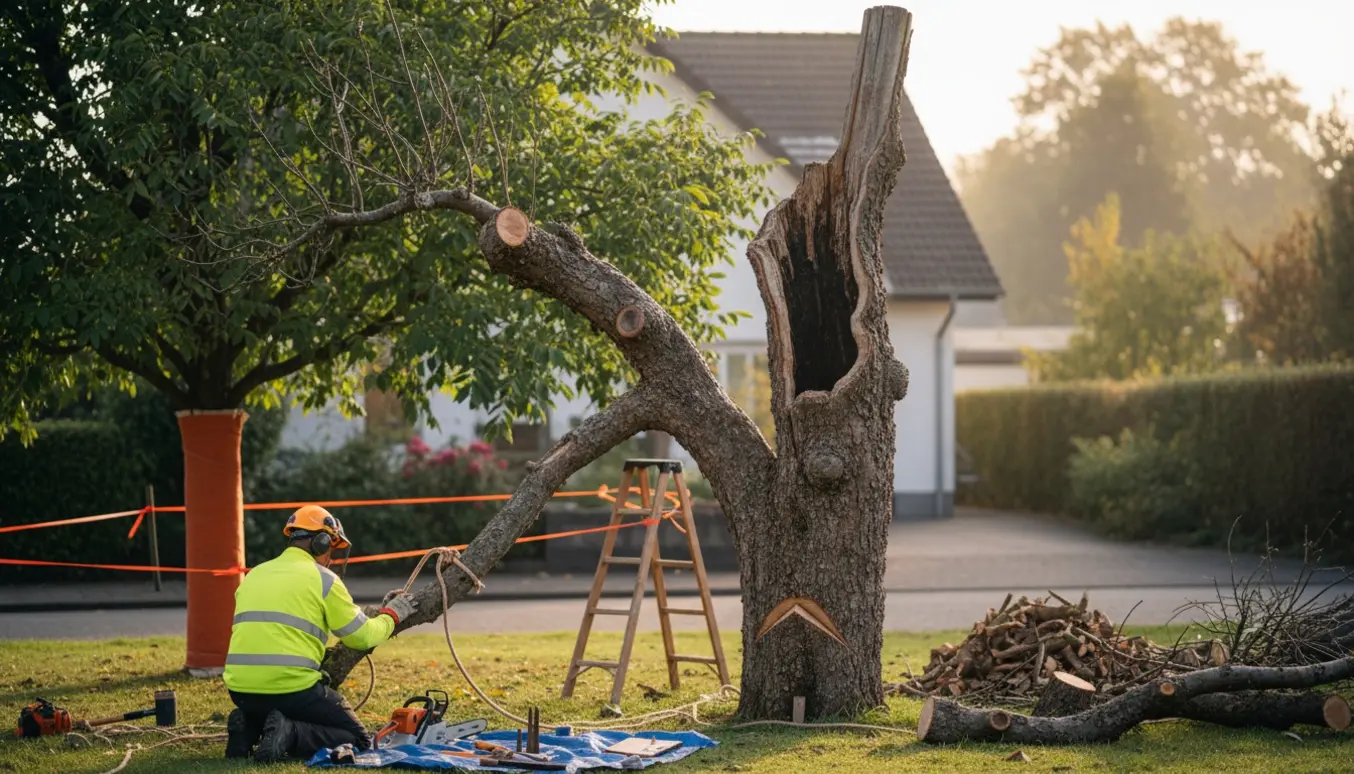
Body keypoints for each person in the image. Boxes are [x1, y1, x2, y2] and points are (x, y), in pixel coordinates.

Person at [224, 505, 417, 763]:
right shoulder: (324, 579)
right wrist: (393, 615)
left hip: (240, 690)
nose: (330, 555)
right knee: (358, 738)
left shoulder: (254, 574)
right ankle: (288, 733)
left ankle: (248, 727)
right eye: (331, 547)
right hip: (291, 689)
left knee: (273, 705)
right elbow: (362, 636)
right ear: (321, 541)